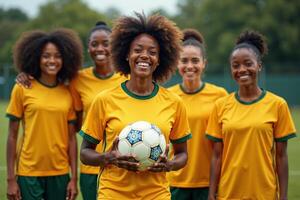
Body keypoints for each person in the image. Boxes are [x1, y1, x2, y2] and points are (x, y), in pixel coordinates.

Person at [80, 12, 191, 200]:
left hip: (156, 194)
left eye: (152, 52)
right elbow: (85, 153)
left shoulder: (174, 102)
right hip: (113, 193)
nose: (144, 56)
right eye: (138, 50)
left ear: (159, 60)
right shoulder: (105, 99)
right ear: (126, 55)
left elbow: (183, 155)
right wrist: (107, 158)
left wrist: (170, 164)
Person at [206, 30, 297, 200]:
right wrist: (211, 194)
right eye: (236, 65)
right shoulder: (220, 106)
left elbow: (281, 156)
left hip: (264, 194)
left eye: (248, 63)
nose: (242, 69)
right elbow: (217, 156)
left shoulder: (278, 104)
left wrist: (283, 197)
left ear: (259, 66)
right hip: (229, 194)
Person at [6, 28, 82, 200]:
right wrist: (11, 179)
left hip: (60, 173)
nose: (52, 60)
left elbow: (71, 140)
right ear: (36, 58)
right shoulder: (22, 88)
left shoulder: (68, 92)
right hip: (29, 173)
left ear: (66, 59)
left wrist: (74, 179)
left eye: (57, 56)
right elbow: (11, 136)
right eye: (46, 56)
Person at [69, 21, 127, 200]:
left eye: (106, 43)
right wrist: (26, 74)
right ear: (88, 48)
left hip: (120, 165)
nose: (100, 48)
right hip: (90, 167)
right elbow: (78, 124)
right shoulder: (78, 79)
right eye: (95, 44)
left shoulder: (127, 77)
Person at [167, 29, 227, 200]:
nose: (190, 66)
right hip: (175, 181)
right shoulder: (168, 96)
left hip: (209, 182)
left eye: (195, 60)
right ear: (177, 64)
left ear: (204, 63)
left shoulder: (220, 95)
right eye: (184, 61)